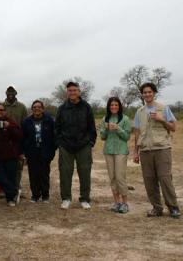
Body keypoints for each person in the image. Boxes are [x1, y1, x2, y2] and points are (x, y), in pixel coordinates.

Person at [133, 82, 180, 218]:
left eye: (149, 92)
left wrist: (161, 120)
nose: (147, 94)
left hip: (162, 148)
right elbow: (137, 133)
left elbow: (173, 127)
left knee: (165, 178)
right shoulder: (139, 112)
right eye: (145, 92)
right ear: (142, 95)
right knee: (149, 180)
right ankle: (157, 208)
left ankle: (173, 207)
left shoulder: (163, 108)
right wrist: (136, 152)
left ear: (154, 93)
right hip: (145, 150)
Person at [55, 82, 97, 210]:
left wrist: (90, 142)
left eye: (74, 90)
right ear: (67, 92)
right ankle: (66, 198)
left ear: (79, 92)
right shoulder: (62, 108)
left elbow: (92, 127)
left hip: (83, 145)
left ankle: (84, 199)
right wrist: (60, 143)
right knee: (65, 173)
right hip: (66, 146)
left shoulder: (86, 107)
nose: (72, 92)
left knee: (85, 172)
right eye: (70, 90)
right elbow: (57, 128)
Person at [99, 97, 131, 213]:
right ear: (109, 106)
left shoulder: (125, 119)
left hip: (121, 151)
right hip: (108, 151)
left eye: (116, 105)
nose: (114, 107)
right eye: (111, 105)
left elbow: (127, 137)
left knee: (120, 177)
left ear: (119, 106)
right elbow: (102, 137)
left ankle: (125, 203)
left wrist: (118, 128)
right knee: (112, 177)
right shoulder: (104, 119)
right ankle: (117, 202)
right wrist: (106, 129)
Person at [21, 100, 56, 203]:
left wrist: (52, 150)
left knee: (44, 174)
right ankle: (35, 195)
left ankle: (45, 196)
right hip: (32, 152)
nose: (37, 109)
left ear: (43, 109)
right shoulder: (26, 122)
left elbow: (54, 136)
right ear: (32, 109)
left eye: (39, 107)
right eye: (34, 107)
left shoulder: (49, 120)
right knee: (33, 174)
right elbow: (23, 138)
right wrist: (24, 151)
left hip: (45, 151)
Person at [0, 103, 23, 206]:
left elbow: (19, 136)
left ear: (5, 111)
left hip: (11, 155)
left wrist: (9, 127)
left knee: (11, 177)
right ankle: (15, 191)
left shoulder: (10, 121)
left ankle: (10, 199)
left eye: (1, 110)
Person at [3, 85, 28, 202]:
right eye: (8, 93)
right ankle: (7, 190)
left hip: (18, 141)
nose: (10, 94)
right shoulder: (1, 107)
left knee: (18, 167)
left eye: (12, 93)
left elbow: (25, 125)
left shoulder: (22, 107)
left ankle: (17, 189)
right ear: (6, 94)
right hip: (4, 142)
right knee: (5, 167)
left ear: (16, 94)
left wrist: (23, 145)